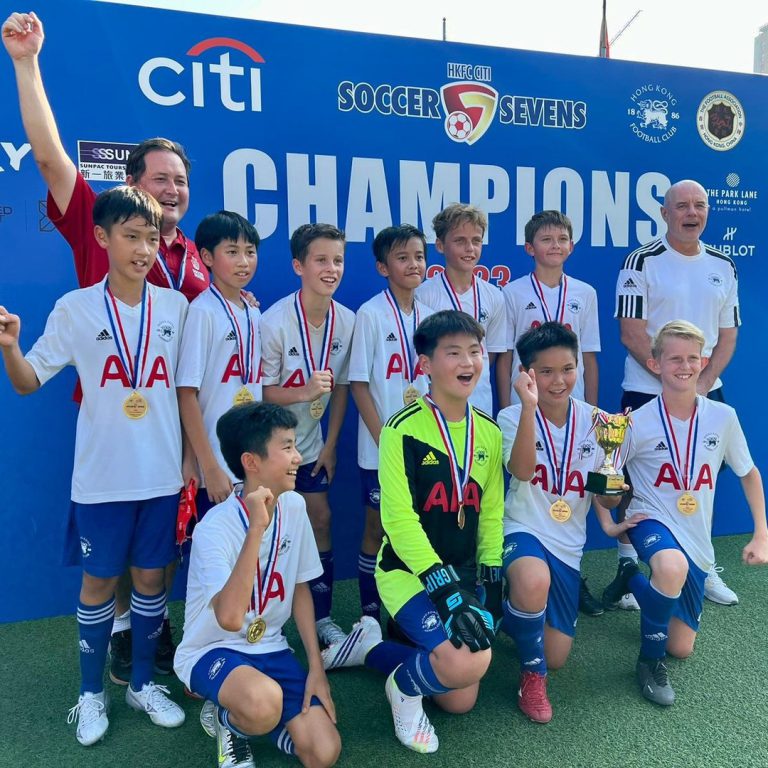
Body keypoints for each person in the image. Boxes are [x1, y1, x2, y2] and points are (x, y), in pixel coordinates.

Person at [3, 9, 209, 679]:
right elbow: (48, 157)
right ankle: (120, 632)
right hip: (114, 422)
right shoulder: (103, 225)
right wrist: (27, 63)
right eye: (160, 179)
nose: (172, 190)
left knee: (162, 549)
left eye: (180, 180)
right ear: (129, 188)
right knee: (113, 556)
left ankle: (155, 632)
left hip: (178, 427)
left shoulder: (197, 259)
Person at [0, 186, 187, 745]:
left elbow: (192, 389)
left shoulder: (176, 308)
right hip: (102, 480)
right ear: (102, 238)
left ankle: (142, 684)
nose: (143, 250)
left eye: (150, 238)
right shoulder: (75, 308)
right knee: (100, 580)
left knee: (151, 578)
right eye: (131, 237)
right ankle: (90, 694)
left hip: (162, 476)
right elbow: (28, 382)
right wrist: (10, 347)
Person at [601, 320, 767, 706]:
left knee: (681, 647)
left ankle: (631, 578)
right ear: (655, 364)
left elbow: (749, 473)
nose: (685, 366)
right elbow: (603, 476)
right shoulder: (634, 422)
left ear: (704, 362)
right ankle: (648, 662)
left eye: (693, 358)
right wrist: (609, 521)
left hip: (697, 541)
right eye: (674, 358)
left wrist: (761, 533)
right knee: (671, 566)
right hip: (651, 520)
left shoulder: (723, 417)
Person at [174, 402, 341, 768]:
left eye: (295, 445)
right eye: (287, 447)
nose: (298, 457)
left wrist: (315, 667)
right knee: (263, 703)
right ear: (251, 462)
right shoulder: (214, 528)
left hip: (270, 647)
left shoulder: (294, 506)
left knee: (323, 753)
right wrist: (256, 529)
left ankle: (262, 720)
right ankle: (229, 723)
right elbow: (230, 619)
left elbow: (300, 588)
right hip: (213, 649)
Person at [606, 180, 742, 609]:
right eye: (682, 206)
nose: (691, 213)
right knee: (629, 479)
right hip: (646, 390)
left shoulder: (723, 265)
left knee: (699, 479)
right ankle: (628, 566)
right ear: (665, 213)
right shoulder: (641, 261)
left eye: (699, 205)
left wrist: (699, 383)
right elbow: (631, 332)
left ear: (707, 212)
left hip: (705, 392)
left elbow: (727, 336)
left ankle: (704, 565)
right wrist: (671, 380)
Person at [372, 310, 502, 752]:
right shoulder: (400, 429)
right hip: (406, 573)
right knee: (466, 663)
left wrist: (491, 577)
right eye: (453, 353)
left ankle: (370, 648)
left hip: (460, 573)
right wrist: (443, 588)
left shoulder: (488, 432)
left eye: (474, 351)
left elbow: (491, 513)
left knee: (459, 698)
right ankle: (403, 691)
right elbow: (398, 520)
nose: (467, 362)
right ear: (425, 364)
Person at [497, 322, 634, 723]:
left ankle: (507, 612)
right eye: (546, 371)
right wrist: (528, 408)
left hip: (568, 545)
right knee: (533, 581)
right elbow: (523, 472)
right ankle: (532, 678)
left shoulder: (602, 423)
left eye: (568, 369)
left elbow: (605, 499)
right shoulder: (510, 417)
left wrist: (613, 488)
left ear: (579, 368)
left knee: (557, 655)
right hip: (523, 528)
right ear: (526, 373)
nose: (559, 381)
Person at [496, 210, 603, 616]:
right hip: (527, 406)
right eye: (546, 239)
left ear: (571, 246)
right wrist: (507, 407)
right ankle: (513, 576)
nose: (555, 246)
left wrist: (595, 412)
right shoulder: (512, 293)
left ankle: (573, 578)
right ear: (529, 247)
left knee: (572, 491)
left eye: (562, 239)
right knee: (529, 490)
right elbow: (504, 355)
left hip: (571, 408)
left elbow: (588, 356)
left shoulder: (585, 293)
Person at [261, 224, 355, 648]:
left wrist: (330, 445)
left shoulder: (347, 321)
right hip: (271, 450)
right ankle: (269, 620)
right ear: (299, 266)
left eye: (337, 260)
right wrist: (303, 392)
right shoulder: (274, 322)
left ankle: (322, 617)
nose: (331, 269)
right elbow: (261, 392)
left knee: (321, 520)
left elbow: (343, 389)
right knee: (269, 528)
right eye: (321, 260)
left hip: (314, 446)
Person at [348, 224, 434, 622]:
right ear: (383, 267)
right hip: (380, 447)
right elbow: (358, 383)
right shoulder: (370, 314)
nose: (413, 264)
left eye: (418, 256)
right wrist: (384, 438)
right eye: (402, 258)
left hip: (421, 445)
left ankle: (411, 612)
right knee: (377, 528)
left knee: (416, 528)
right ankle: (369, 614)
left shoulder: (430, 316)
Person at [177, 211, 262, 518]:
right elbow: (186, 393)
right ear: (206, 257)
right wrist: (209, 466)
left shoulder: (253, 312)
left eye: (250, 252)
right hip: (216, 472)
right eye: (232, 252)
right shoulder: (202, 312)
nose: (244, 262)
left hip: (251, 465)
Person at [416, 204, 506, 416]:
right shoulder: (423, 295)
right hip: (435, 406)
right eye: (460, 241)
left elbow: (491, 352)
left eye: (476, 241)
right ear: (440, 245)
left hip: (480, 405)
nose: (470, 248)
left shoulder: (494, 296)